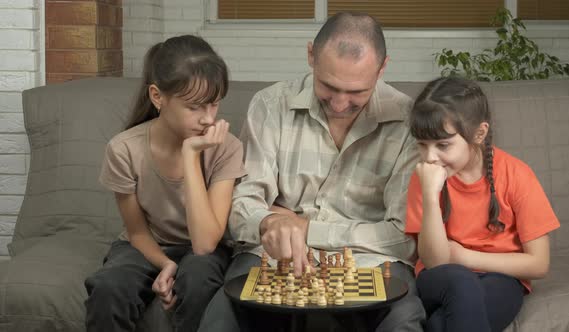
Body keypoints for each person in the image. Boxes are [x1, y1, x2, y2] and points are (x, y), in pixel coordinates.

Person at [198, 12, 425, 332]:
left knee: (402, 321)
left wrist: (304, 227)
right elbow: (240, 207)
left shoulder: (409, 121)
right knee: (220, 321)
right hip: (273, 256)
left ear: (383, 68)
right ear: (310, 55)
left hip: (370, 261)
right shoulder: (270, 104)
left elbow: (403, 237)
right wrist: (269, 221)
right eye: (328, 86)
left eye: (357, 92)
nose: (340, 103)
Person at [84, 35, 246, 332]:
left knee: (198, 278)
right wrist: (165, 263)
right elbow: (136, 232)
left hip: (204, 251)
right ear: (158, 97)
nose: (208, 120)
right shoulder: (124, 149)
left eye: (214, 104)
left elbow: (206, 242)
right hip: (147, 245)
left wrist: (190, 155)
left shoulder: (228, 148)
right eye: (194, 107)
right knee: (109, 288)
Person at [404, 76, 560, 332]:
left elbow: (539, 264)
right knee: (461, 281)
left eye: (443, 145)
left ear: (479, 133)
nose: (430, 157)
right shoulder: (423, 177)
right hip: (441, 277)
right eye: (422, 145)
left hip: (501, 278)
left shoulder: (516, 175)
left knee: (439, 325)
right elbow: (434, 262)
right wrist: (431, 196)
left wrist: (465, 257)